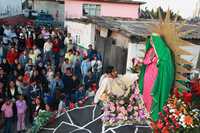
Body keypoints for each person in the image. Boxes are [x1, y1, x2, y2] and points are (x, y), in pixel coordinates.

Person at [139, 33, 175, 121]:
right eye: (150, 40)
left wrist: (158, 60)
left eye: (153, 40)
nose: (151, 42)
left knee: (153, 93)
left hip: (157, 77)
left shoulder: (165, 50)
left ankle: (153, 113)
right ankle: (146, 111)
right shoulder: (151, 50)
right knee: (146, 92)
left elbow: (167, 65)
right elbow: (145, 61)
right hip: (148, 76)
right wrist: (151, 58)